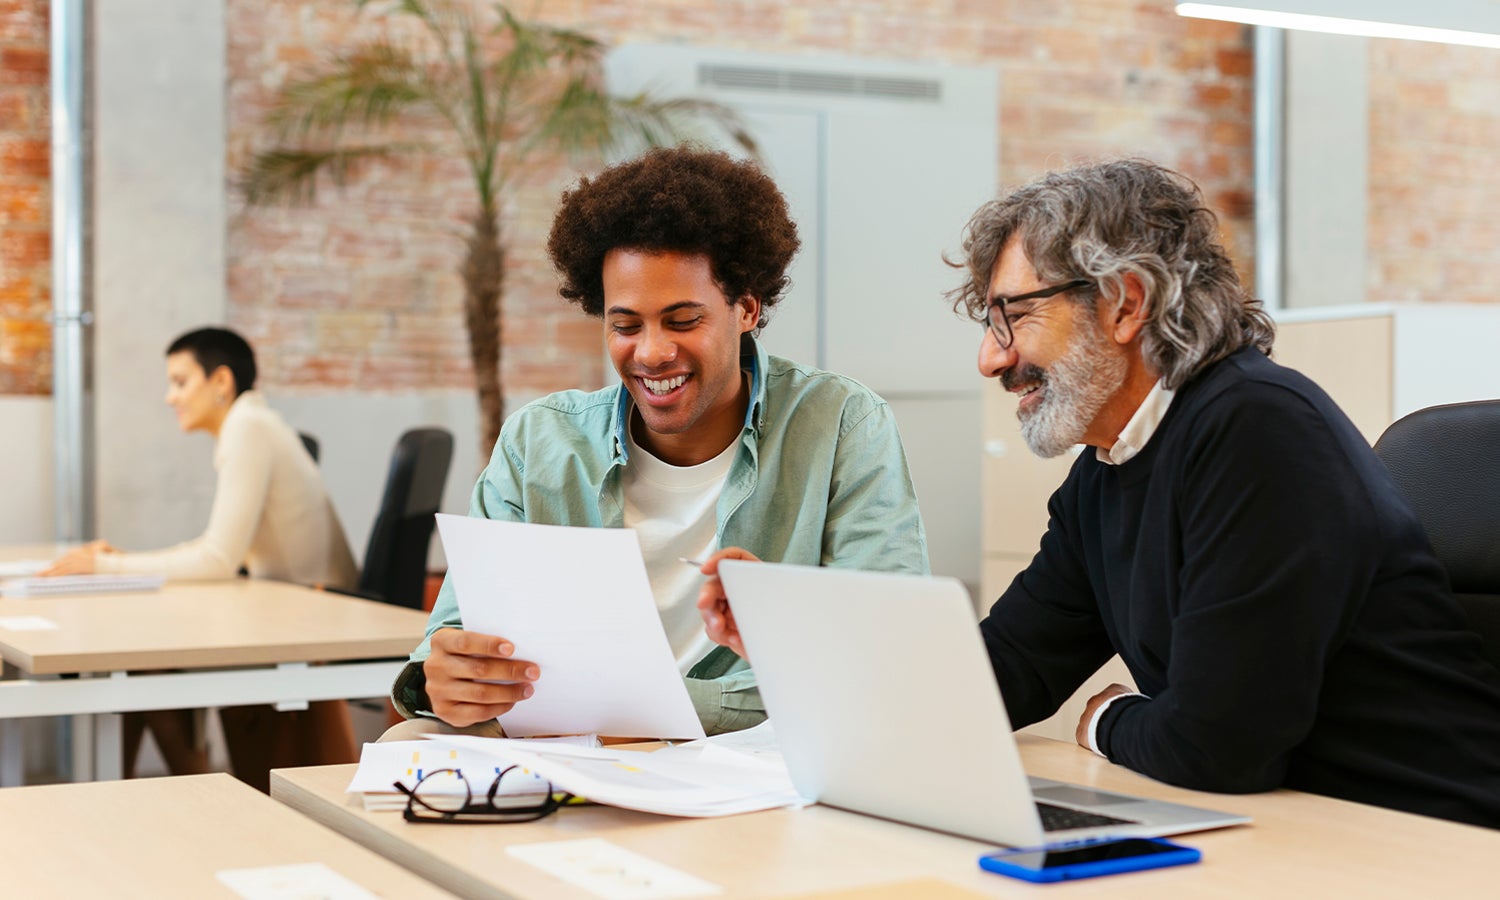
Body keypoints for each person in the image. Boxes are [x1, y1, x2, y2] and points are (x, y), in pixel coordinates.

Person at [703, 159, 1500, 828]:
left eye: (1012, 317)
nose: (990, 359)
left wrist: (1104, 718)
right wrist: (793, 643)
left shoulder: (1259, 429)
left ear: (1125, 303)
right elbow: (1003, 671)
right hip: (1292, 829)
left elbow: (1218, 748)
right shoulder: (1109, 468)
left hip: (1425, 837)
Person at [390, 146, 928, 738]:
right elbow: (452, 638)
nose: (650, 353)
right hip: (567, 738)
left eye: (683, 321)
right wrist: (449, 680)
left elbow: (888, 652)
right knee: (408, 740)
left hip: (755, 748)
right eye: (625, 325)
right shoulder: (539, 442)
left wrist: (651, 706)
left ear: (746, 309)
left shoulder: (841, 424)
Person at [43, 326, 360, 786]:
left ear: (221, 382)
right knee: (144, 658)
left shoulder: (247, 427)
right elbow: (221, 553)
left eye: (180, 381)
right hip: (288, 604)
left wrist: (107, 567)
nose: (170, 397)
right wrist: (121, 563)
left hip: (311, 613)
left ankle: (180, 789)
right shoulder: (249, 424)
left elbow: (217, 559)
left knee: (145, 658)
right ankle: (183, 788)